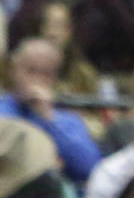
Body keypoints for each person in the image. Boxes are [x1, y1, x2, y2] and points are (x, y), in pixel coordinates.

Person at [0, 38, 100, 186]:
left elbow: (89, 169)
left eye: (46, 74)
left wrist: (49, 119)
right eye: (30, 70)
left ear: (55, 79)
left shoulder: (67, 120)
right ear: (13, 70)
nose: (37, 80)